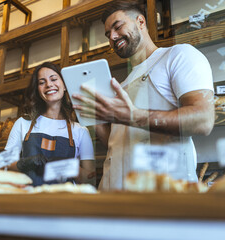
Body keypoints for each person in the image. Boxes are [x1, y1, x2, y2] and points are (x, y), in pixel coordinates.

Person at [72, 0, 214, 190]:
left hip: (160, 196)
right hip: (112, 195)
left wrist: (133, 116)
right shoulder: (121, 85)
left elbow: (203, 120)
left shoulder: (178, 55)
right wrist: (95, 117)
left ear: (140, 21)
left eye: (118, 26)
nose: (112, 37)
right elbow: (117, 145)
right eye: (108, 34)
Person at [5, 62, 95, 186]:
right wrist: (25, 163)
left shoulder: (80, 130)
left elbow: (90, 178)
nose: (49, 85)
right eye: (42, 82)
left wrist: (67, 167)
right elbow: (4, 165)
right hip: (29, 200)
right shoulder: (22, 123)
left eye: (53, 79)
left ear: (64, 85)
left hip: (65, 201)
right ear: (37, 90)